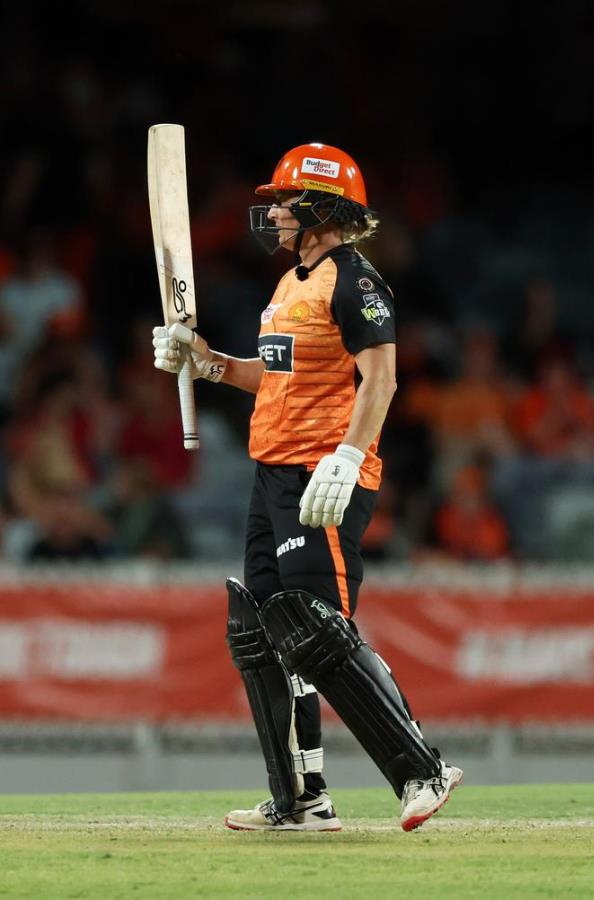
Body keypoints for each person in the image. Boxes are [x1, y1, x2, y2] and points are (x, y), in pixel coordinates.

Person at [152, 142, 462, 832]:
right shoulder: (293, 282)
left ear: (322, 206)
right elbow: (274, 377)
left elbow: (381, 377)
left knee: (315, 628)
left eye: (285, 202)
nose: (274, 214)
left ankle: (421, 768)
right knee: (263, 630)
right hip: (272, 472)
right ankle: (301, 800)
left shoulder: (355, 281)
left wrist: (350, 457)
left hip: (322, 475)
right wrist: (203, 363)